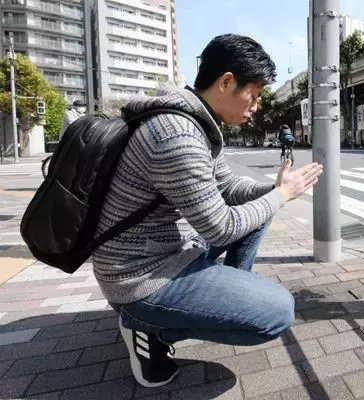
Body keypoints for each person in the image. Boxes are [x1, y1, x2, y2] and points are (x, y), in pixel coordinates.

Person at [90, 33, 322, 388]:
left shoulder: (196, 123)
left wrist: (276, 190)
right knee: (276, 312)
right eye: (254, 95)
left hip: (167, 249)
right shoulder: (177, 135)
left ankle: (223, 296)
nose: (256, 106)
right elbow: (221, 228)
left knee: (259, 209)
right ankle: (146, 326)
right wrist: (280, 196)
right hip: (138, 276)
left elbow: (229, 188)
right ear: (226, 82)